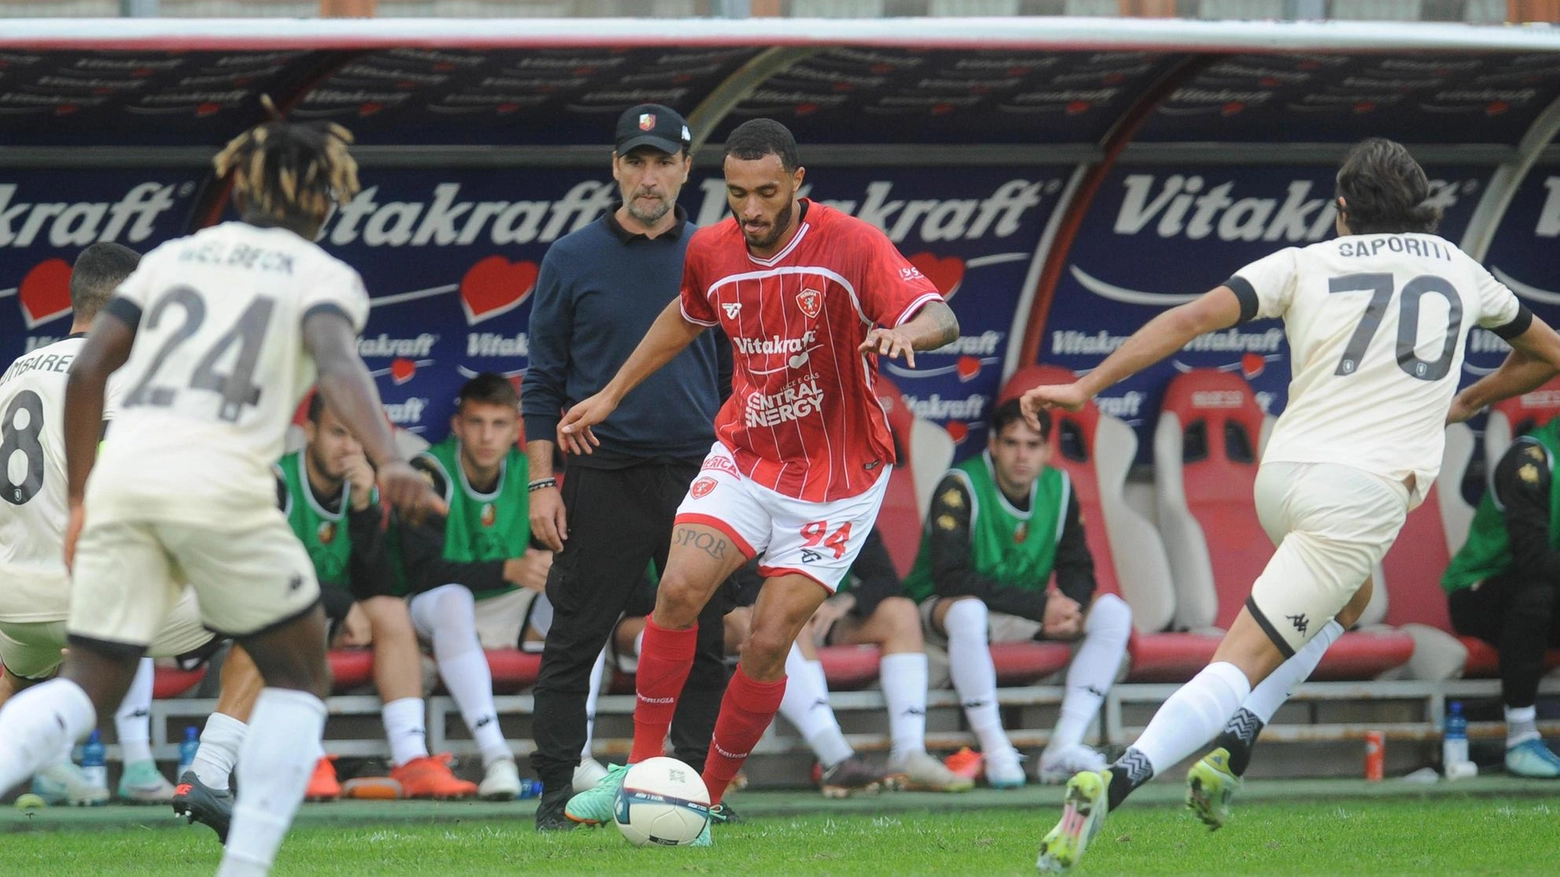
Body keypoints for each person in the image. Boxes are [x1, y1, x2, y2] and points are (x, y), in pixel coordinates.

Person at [1024, 137, 1560, 873]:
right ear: (1421, 207)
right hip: (1360, 497)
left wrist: (1087, 386)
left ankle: (1236, 743)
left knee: (1350, 600)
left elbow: (1187, 320)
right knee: (1241, 657)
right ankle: (1115, 780)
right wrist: (1468, 399)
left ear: (1343, 210)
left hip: (1283, 478)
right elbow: (1547, 353)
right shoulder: (1461, 270)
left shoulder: (1304, 261)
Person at [0, 109, 443, 877]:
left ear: (243, 185)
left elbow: (93, 364)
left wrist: (78, 505)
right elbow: (338, 363)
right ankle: (236, 845)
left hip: (123, 486)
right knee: (301, 662)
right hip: (213, 485)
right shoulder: (320, 274)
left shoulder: (171, 257)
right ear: (322, 200)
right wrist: (386, 453)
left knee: (88, 680)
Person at [560, 118, 959, 843]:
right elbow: (683, 320)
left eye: (766, 192)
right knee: (678, 590)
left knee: (769, 639)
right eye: (738, 192)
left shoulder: (851, 244)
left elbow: (941, 314)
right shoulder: (712, 248)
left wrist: (908, 334)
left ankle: (702, 799)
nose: (750, 208)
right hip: (747, 456)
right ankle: (644, 773)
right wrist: (612, 393)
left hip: (838, 480)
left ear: (798, 183)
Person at [523, 103, 734, 830]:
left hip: (699, 479)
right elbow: (542, 380)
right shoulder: (572, 257)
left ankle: (695, 787)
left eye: (663, 162)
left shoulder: (715, 254)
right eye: (636, 162)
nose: (649, 177)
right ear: (616, 167)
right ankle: (555, 793)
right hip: (601, 475)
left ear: (684, 169)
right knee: (574, 639)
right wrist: (542, 481)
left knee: (706, 642)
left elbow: (741, 376)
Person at [170, 391, 476, 839]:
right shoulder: (275, 481)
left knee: (390, 610)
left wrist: (364, 509)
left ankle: (411, 756)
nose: (348, 447)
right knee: (285, 615)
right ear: (309, 432)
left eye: (357, 437)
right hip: (267, 615)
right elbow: (262, 570)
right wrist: (340, 604)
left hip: (328, 617)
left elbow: (377, 584)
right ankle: (305, 756)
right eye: (337, 433)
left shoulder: (363, 487)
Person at [0, 242, 215, 806]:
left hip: (16, 599)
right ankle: (210, 773)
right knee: (275, 612)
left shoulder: (13, 372)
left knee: (15, 676)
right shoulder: (120, 370)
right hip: (90, 593)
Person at [903, 399, 1133, 789]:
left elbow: (1078, 565)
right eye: (1011, 443)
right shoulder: (960, 485)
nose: (1021, 455)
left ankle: (1063, 746)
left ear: (1047, 450)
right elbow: (950, 578)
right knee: (968, 612)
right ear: (993, 445)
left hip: (1023, 611)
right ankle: (995, 749)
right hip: (941, 613)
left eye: (1032, 444)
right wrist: (1041, 606)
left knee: (1113, 612)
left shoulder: (1059, 486)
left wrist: (1069, 609)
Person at [397, 371, 552, 800]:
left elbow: (544, 554)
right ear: (457, 425)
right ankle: (496, 757)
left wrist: (543, 566)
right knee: (452, 599)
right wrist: (506, 569)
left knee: (572, 593)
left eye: (499, 424)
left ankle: (577, 759)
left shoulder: (530, 472)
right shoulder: (427, 471)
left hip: (508, 608)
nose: (487, 436)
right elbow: (420, 572)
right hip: (435, 611)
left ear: (516, 431)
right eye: (476, 422)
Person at [787, 527, 972, 793]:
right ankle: (836, 758)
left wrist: (848, 600)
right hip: (765, 614)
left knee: (901, 613)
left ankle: (908, 752)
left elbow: (886, 578)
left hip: (825, 620)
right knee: (780, 622)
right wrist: (792, 601)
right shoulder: (765, 493)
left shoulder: (850, 500)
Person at [1440, 424, 1560, 778]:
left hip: (1543, 592)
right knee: (1536, 593)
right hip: (1477, 591)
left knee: (1541, 593)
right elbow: (1532, 558)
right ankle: (1521, 738)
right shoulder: (1532, 458)